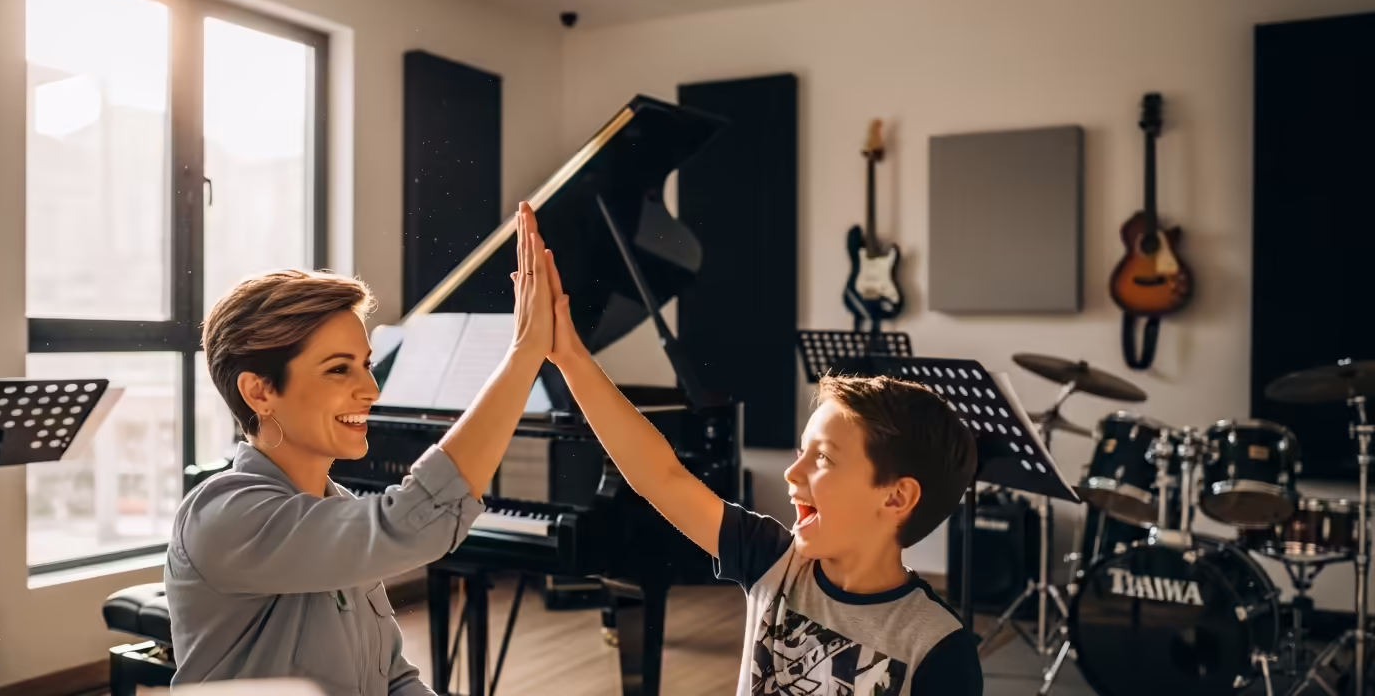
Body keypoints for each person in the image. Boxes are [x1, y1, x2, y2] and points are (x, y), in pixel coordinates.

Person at [541, 256, 985, 695]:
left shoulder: (939, 649)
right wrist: (571, 358)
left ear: (895, 498)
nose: (793, 473)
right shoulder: (772, 560)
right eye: (800, 453)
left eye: (824, 459)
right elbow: (660, 476)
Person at [165, 203, 555, 695]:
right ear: (259, 392)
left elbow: (391, 679)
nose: (371, 389)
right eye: (338, 369)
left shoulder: (340, 509)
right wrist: (523, 356)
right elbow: (410, 523)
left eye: (366, 364)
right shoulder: (222, 513)